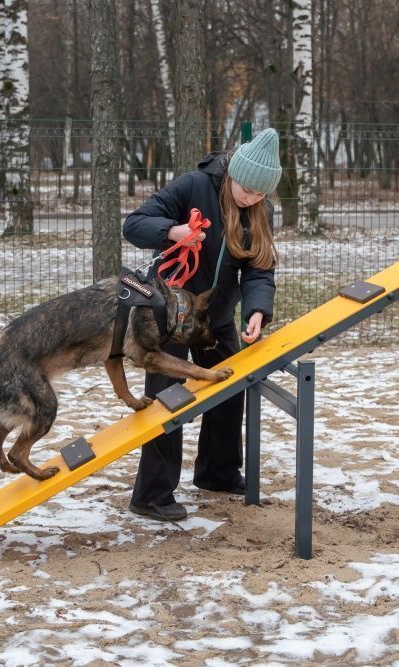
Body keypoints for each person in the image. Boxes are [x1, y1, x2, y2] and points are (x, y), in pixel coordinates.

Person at [122, 128, 282, 521]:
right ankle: (152, 495)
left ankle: (217, 472)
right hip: (173, 311)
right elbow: (134, 224)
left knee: (230, 389)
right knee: (167, 398)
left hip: (219, 316)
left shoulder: (262, 212)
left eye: (260, 194)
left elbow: (260, 270)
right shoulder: (194, 186)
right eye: (246, 189)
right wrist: (172, 231)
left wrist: (258, 310)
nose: (251, 198)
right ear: (233, 175)